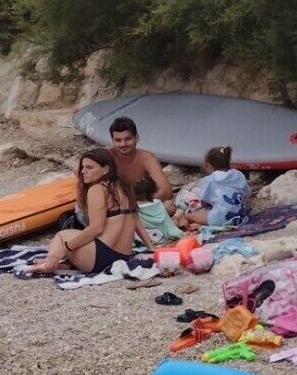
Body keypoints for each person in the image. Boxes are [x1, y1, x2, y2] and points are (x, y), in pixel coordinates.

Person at [26, 148, 139, 276]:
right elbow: (135, 221)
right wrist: (151, 246)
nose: (83, 171)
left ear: (106, 169)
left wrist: (67, 247)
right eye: (83, 167)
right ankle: (63, 264)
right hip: (123, 256)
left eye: (89, 167)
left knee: (62, 236)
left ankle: (50, 261)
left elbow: (96, 228)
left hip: (101, 258)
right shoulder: (123, 187)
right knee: (79, 238)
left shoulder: (97, 189)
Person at [107, 116, 175, 205]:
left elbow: (166, 191)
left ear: (136, 138)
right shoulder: (106, 156)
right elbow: (84, 178)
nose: (123, 144)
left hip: (142, 203)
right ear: (112, 141)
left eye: (128, 139)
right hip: (114, 205)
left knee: (169, 206)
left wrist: (137, 205)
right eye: (118, 140)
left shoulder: (147, 158)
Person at [185, 145, 249, 229]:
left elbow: (204, 201)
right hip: (239, 217)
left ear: (208, 165)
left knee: (187, 216)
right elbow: (246, 192)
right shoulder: (238, 175)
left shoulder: (210, 179)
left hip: (219, 218)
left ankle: (194, 226)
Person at [131, 174, 184, 246]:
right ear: (153, 192)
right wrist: (180, 234)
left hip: (141, 241)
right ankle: (180, 213)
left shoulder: (131, 208)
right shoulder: (157, 203)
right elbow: (168, 225)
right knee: (175, 221)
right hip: (162, 239)